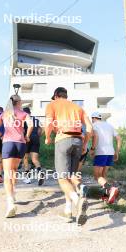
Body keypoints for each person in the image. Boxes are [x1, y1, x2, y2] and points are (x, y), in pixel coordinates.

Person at [45, 87, 92, 225]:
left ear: (55, 96)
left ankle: (78, 201)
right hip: (78, 141)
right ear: (66, 96)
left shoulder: (52, 104)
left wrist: (47, 137)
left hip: (63, 139)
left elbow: (48, 123)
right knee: (71, 176)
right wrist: (85, 144)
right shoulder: (78, 107)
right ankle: (68, 211)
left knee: (62, 178)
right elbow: (89, 128)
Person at [0, 95, 33, 218]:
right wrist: (27, 136)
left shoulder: (5, 113)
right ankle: (13, 194)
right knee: (14, 171)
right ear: (19, 102)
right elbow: (31, 125)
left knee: (7, 174)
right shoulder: (23, 113)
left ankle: (10, 203)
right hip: (21, 144)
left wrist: (1, 136)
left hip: (8, 143)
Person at [90, 112, 121, 203]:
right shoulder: (109, 125)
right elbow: (119, 138)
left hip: (101, 152)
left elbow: (95, 137)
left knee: (97, 176)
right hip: (110, 153)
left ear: (93, 118)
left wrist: (92, 149)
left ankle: (111, 189)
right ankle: (106, 196)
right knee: (103, 176)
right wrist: (117, 152)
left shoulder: (94, 125)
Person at [23, 107, 44, 185]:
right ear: (30, 113)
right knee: (34, 159)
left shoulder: (23, 120)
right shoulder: (36, 120)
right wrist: (38, 136)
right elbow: (42, 129)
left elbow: (23, 130)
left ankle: (27, 178)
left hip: (26, 138)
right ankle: (40, 171)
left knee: (25, 158)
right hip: (36, 138)